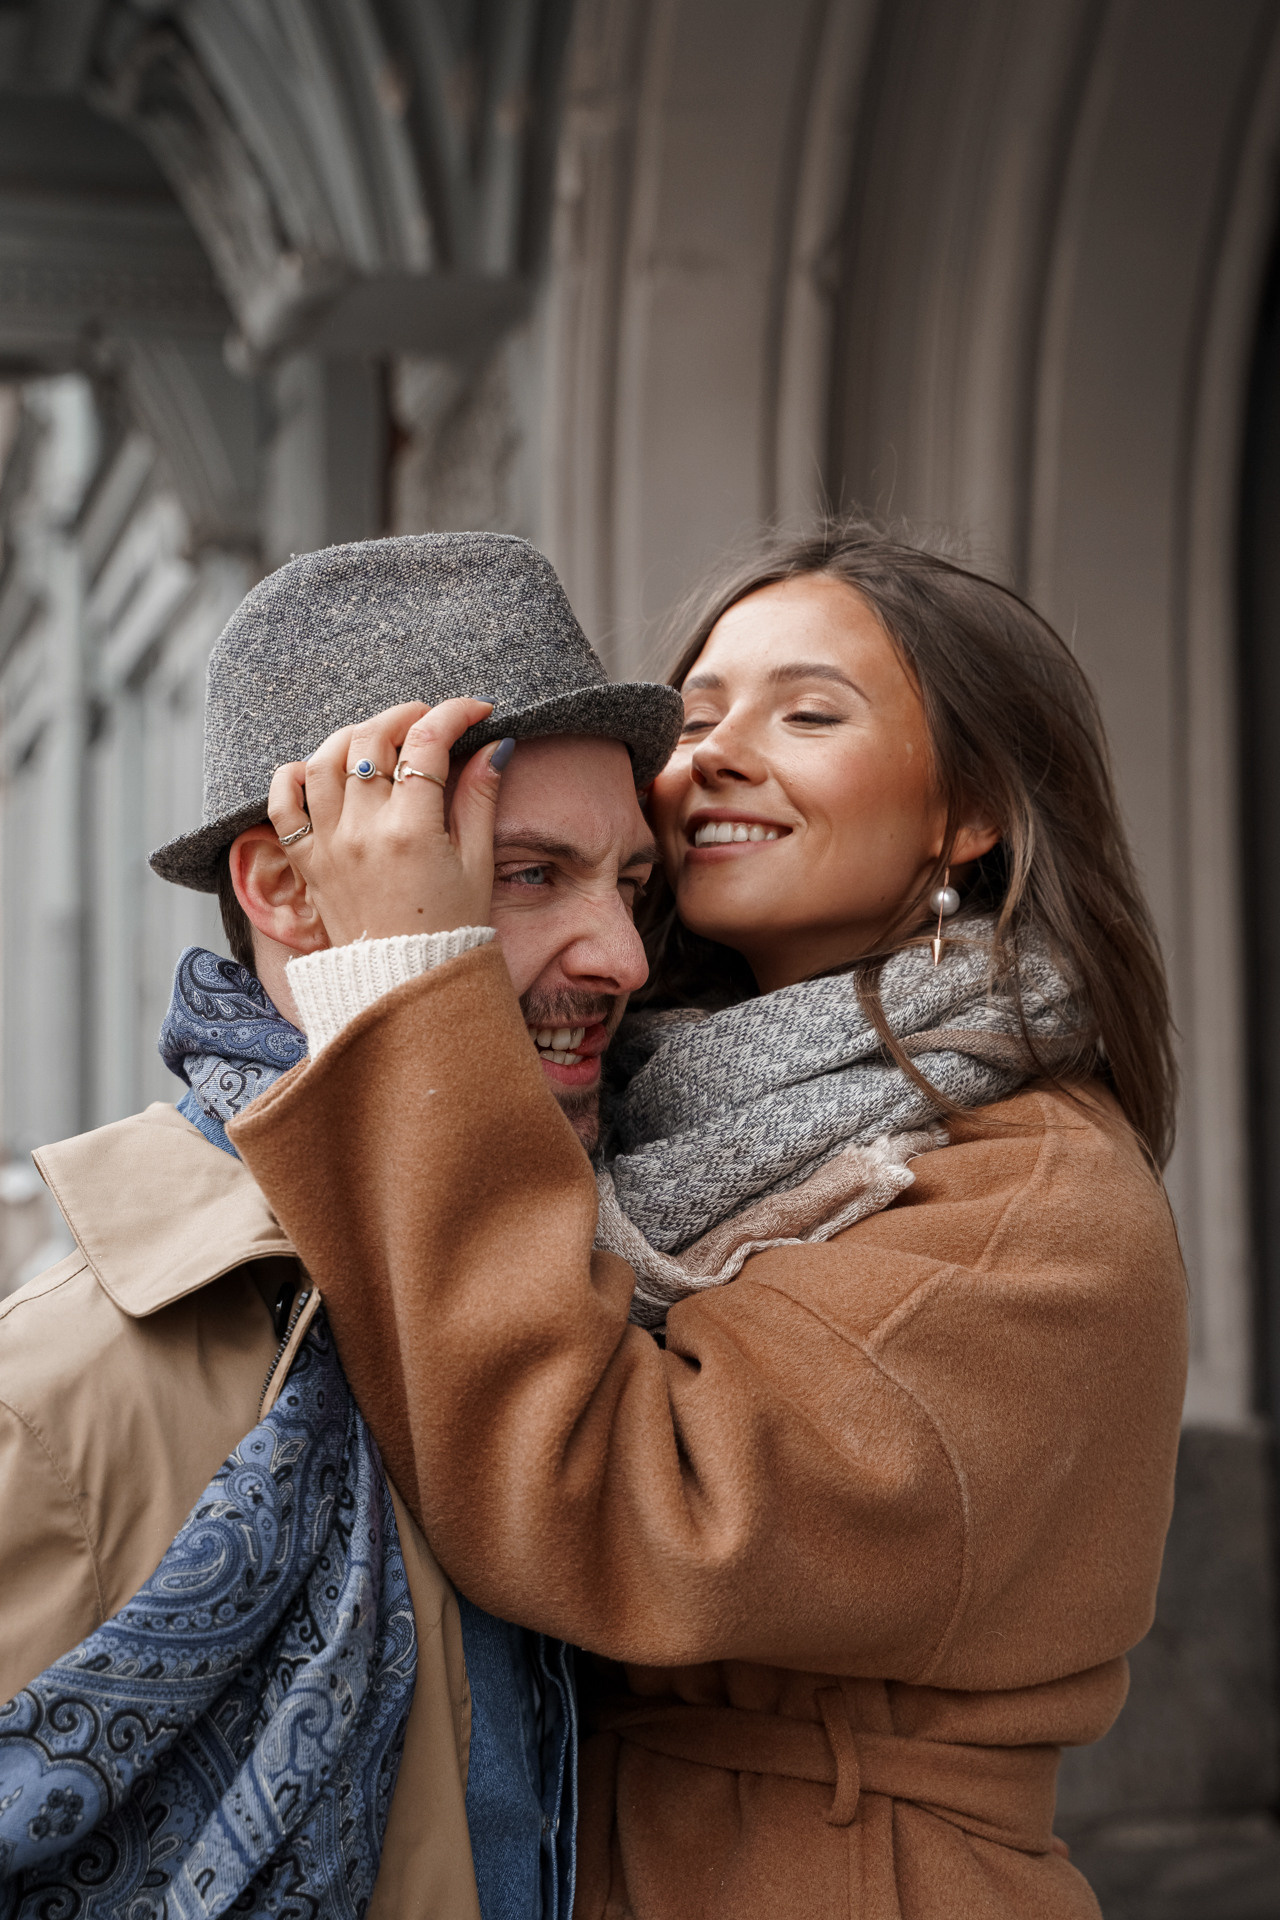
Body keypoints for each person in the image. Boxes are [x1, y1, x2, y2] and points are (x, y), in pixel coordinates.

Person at [230, 522, 1189, 1920]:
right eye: (695, 718)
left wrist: (414, 985)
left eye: (809, 713)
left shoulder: (1034, 1198)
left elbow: (611, 1507)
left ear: (968, 811)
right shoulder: (651, 1098)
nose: (714, 756)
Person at [0, 531, 682, 1920]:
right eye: (524, 873)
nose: (621, 956)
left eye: (630, 884)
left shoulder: (637, 1276)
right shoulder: (60, 1404)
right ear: (286, 890)